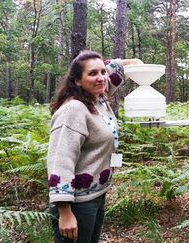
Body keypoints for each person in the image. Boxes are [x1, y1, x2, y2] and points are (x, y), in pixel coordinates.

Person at [47, 50, 142, 242]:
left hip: (96, 195)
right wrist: (64, 211)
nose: (101, 78)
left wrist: (134, 61)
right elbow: (60, 160)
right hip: (78, 203)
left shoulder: (97, 99)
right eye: (92, 74)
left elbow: (112, 69)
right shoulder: (74, 109)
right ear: (77, 81)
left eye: (103, 72)